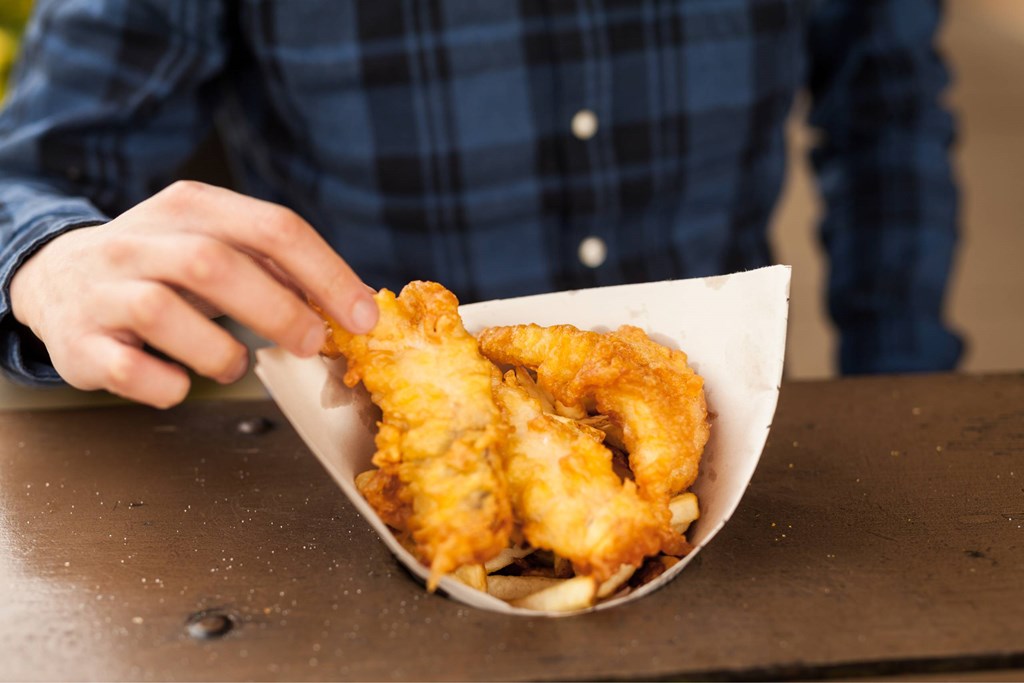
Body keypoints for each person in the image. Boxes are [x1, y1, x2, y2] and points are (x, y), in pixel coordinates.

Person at [0, 0, 962, 409]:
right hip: (370, 497)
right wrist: (47, 257)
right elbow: (23, 172)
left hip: (736, 457)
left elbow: (887, 105)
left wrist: (906, 382)